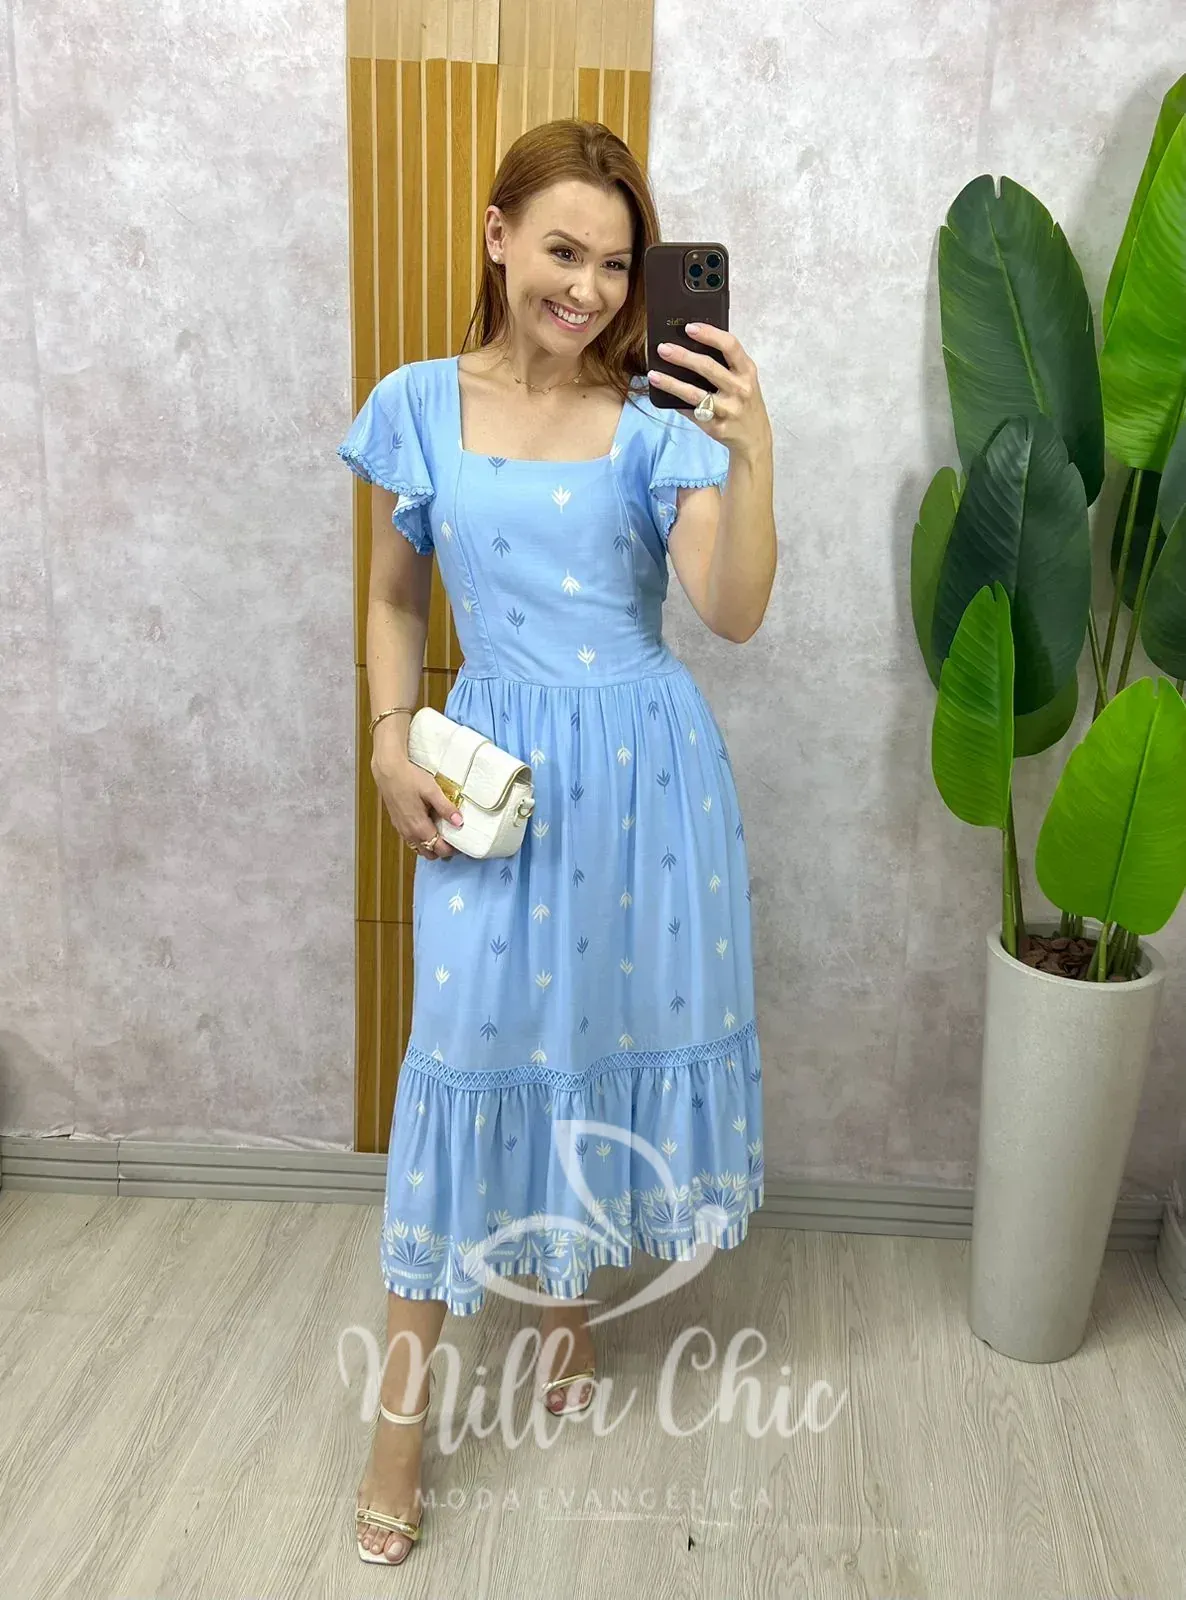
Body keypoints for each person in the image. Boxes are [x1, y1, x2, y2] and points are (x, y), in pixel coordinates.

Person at [338, 118, 777, 1566]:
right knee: (468, 1060)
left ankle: (569, 1308)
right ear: (497, 236)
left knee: (586, 1032)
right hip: (498, 776)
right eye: (562, 250)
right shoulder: (418, 404)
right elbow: (395, 596)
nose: (587, 288)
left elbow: (731, 612)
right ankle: (398, 1436)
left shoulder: (657, 422)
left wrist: (751, 450)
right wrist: (390, 738)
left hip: (648, 779)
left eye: (615, 263)